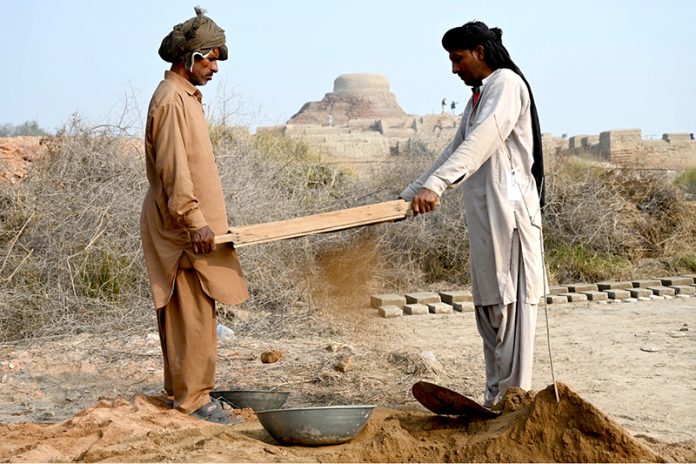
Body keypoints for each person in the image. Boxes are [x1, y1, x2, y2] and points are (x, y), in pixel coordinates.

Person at [400, 21, 545, 408]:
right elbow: (454, 149)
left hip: (510, 214)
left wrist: (439, 185)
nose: (454, 69)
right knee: (490, 305)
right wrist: (412, 193)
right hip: (485, 217)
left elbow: (482, 141)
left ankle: (512, 400)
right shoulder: (478, 98)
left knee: (511, 306)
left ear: (480, 52)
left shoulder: (507, 85)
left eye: (457, 58)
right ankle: (496, 397)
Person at [140, 6, 249, 424]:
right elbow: (173, 170)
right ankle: (192, 399)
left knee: (195, 309)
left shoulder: (186, 98)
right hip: (183, 227)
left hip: (195, 224)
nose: (216, 67)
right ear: (190, 58)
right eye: (212, 58)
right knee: (191, 310)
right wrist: (194, 220)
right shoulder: (170, 100)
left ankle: (186, 391)